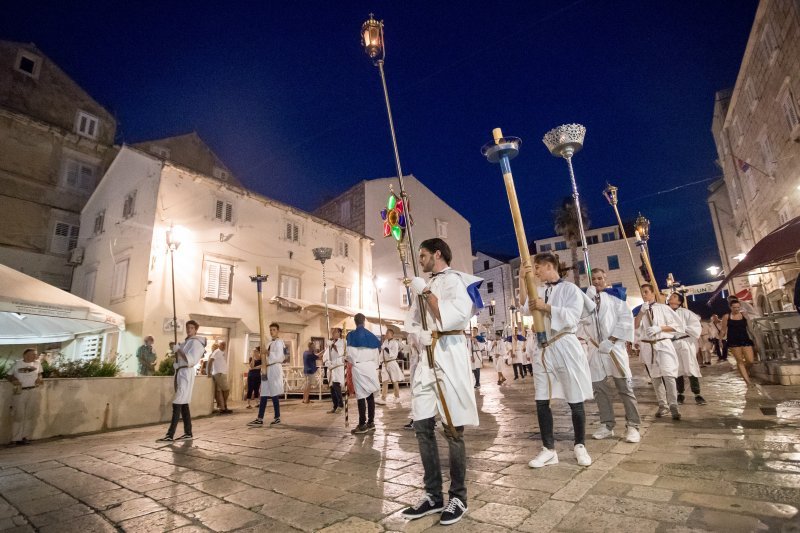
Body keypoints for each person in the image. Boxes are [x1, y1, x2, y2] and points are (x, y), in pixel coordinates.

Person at [402, 238, 482, 526]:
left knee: (453, 428)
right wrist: (415, 337)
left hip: (449, 356)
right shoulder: (425, 284)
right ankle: (433, 495)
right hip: (424, 360)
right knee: (422, 426)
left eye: (422, 255)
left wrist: (425, 291)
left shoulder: (456, 282)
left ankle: (458, 496)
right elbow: (412, 322)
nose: (419, 260)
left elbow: (451, 317)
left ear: (437, 254)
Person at [520, 253, 594, 469]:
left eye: (538, 267)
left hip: (565, 344)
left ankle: (580, 445)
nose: (536, 271)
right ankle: (548, 449)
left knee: (575, 397)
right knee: (541, 398)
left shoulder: (570, 289)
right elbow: (525, 308)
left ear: (550, 266)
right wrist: (523, 280)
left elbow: (572, 316)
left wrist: (546, 308)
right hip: (544, 348)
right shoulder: (539, 289)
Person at [581, 268, 641, 444]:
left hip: (614, 348)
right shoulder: (586, 299)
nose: (597, 281)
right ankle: (607, 425)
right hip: (595, 349)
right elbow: (579, 320)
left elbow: (625, 320)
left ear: (605, 279)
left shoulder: (616, 298)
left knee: (624, 387)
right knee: (599, 389)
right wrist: (587, 300)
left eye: (600, 278)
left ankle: (633, 425)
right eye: (594, 279)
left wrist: (612, 340)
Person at [636, 284, 683, 420]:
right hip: (648, 347)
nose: (644, 295)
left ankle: (674, 405)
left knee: (668, 375)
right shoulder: (641, 310)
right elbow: (635, 326)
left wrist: (660, 328)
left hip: (663, 343)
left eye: (646, 292)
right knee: (655, 377)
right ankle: (663, 405)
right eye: (642, 292)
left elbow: (677, 326)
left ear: (653, 293)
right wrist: (641, 313)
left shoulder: (664, 308)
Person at [157, 320, 206, 442]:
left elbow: (191, 360)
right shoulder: (187, 342)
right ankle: (188, 433)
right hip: (181, 372)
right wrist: (177, 363)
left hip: (186, 374)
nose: (189, 329)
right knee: (183, 403)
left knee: (178, 402)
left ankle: (170, 435)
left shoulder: (196, 343)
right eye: (187, 327)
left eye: (191, 328)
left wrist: (178, 350)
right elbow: (182, 357)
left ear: (195, 330)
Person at [668, 294, 706, 405]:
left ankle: (697, 394)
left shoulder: (686, 313)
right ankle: (680, 394)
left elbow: (695, 327)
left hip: (685, 342)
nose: (671, 297)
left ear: (679, 302)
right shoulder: (664, 312)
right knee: (677, 369)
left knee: (690, 366)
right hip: (672, 343)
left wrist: (681, 328)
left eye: (674, 296)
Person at [346, 313, 381, 434]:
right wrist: (374, 367)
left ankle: (362, 424)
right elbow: (377, 355)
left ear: (355, 322)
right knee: (370, 395)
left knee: (361, 395)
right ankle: (371, 422)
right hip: (371, 367)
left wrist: (349, 361)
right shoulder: (372, 336)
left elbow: (350, 355)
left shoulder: (351, 336)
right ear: (364, 321)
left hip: (359, 366)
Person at [248, 323, 286, 426]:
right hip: (267, 369)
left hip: (274, 368)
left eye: (273, 329)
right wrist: (259, 355)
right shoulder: (269, 343)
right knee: (263, 393)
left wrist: (267, 353)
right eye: (270, 330)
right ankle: (260, 419)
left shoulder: (279, 343)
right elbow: (264, 358)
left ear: (278, 331)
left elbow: (280, 357)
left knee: (274, 393)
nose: (271, 331)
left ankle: (277, 417)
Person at [8, 348, 43, 445]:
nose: (35, 356)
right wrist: (14, 380)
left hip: (33, 390)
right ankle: (15, 439)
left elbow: (39, 374)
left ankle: (25, 437)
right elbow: (9, 375)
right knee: (18, 415)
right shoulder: (17, 364)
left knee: (29, 415)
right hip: (20, 392)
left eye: (35, 355)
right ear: (25, 355)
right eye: (32, 354)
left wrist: (39, 378)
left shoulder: (37, 364)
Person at [721, 299, 756, 387]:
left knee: (750, 361)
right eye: (734, 307)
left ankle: (744, 370)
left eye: (738, 307)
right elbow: (723, 330)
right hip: (733, 340)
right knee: (739, 361)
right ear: (730, 307)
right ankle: (748, 382)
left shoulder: (744, 315)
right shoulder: (726, 317)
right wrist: (720, 341)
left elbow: (750, 327)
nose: (736, 309)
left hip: (745, 339)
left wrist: (754, 337)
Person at [323, 328, 346, 414]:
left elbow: (340, 352)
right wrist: (326, 361)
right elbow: (326, 355)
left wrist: (333, 345)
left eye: (335, 332)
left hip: (338, 366)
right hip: (331, 367)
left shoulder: (343, 342)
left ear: (339, 333)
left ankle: (340, 405)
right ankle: (335, 405)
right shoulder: (331, 342)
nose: (333, 333)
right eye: (332, 332)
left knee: (336, 385)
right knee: (332, 388)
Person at [379, 329, 404, 403]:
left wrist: (386, 348)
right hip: (385, 363)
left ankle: (397, 397)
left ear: (391, 334)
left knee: (394, 380)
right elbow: (382, 353)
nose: (386, 334)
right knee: (384, 381)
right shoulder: (385, 341)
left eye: (387, 333)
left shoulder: (395, 342)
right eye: (386, 333)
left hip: (391, 362)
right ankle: (383, 398)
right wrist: (380, 362)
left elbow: (394, 353)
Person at [209, 341, 232, 414]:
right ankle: (224, 404)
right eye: (222, 345)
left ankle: (223, 408)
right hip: (219, 374)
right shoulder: (217, 352)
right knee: (226, 390)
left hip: (221, 373)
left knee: (220, 392)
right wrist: (209, 371)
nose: (224, 346)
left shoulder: (221, 353)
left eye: (224, 345)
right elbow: (210, 361)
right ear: (219, 345)